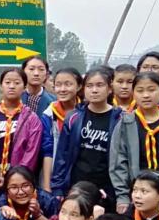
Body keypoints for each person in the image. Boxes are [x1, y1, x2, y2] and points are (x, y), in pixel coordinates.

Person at [109, 72, 159, 214]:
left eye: (151, 90)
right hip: (135, 198)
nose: (146, 95)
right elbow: (117, 162)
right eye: (140, 90)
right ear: (134, 93)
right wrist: (123, 196)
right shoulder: (126, 123)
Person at [51, 66, 119, 209]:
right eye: (90, 86)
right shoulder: (74, 117)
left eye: (100, 85)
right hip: (77, 184)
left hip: (108, 186)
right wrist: (57, 187)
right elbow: (62, 155)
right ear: (83, 89)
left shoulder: (121, 119)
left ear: (110, 88)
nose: (94, 90)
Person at [0, 67, 43, 186]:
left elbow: (31, 153)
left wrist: (15, 178)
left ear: (25, 87)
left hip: (19, 178)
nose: (12, 86)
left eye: (17, 83)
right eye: (7, 82)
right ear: (1, 86)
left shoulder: (32, 119)